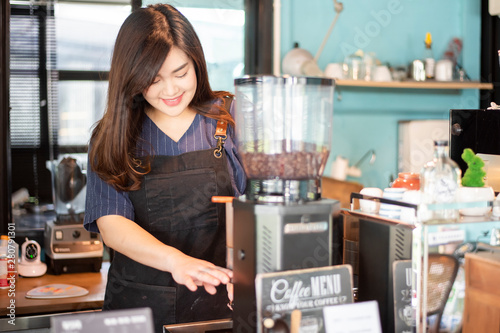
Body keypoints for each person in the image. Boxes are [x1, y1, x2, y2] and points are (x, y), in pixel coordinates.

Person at [83, 4, 246, 332]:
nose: (170, 91)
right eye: (153, 79)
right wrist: (177, 261)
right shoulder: (113, 136)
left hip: (217, 305)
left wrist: (246, 268)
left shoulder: (229, 119)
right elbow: (112, 224)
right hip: (137, 310)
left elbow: (255, 207)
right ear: (132, 78)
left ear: (196, 61)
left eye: (181, 72)